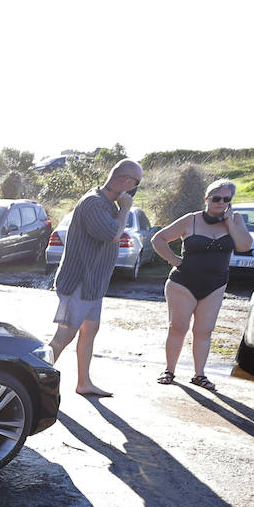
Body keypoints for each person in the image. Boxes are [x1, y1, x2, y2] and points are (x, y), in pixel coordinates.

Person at [48, 159, 144, 396]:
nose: (135, 190)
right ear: (125, 181)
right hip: (79, 282)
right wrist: (125, 209)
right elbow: (113, 234)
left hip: (93, 285)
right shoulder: (94, 203)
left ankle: (84, 383)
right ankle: (32, 380)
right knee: (64, 335)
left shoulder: (107, 203)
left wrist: (120, 208)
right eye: (136, 184)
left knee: (89, 331)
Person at [150, 179, 252, 390]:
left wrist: (230, 224)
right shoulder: (191, 220)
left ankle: (199, 375)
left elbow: (244, 246)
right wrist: (174, 260)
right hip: (183, 284)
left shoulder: (235, 220)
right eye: (216, 198)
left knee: (204, 331)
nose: (221, 203)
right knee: (178, 328)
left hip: (215, 285)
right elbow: (158, 239)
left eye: (226, 199)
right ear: (207, 199)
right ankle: (169, 371)